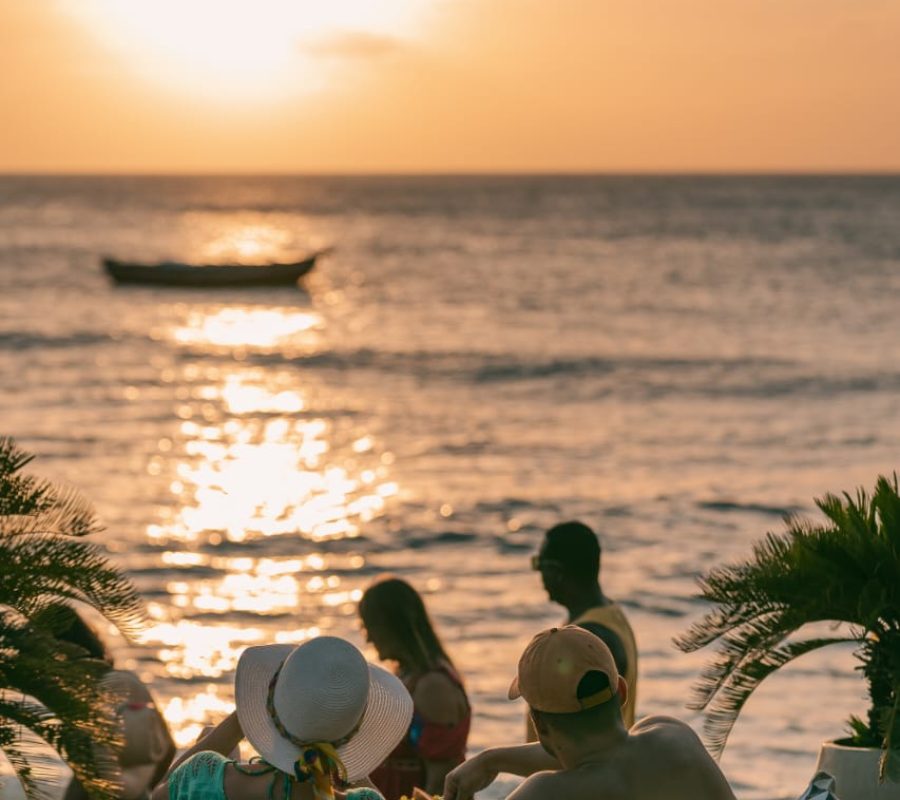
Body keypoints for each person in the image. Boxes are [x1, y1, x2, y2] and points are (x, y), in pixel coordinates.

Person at [443, 626, 736, 800]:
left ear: (540, 726)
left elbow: (588, 763)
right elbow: (602, 757)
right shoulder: (674, 737)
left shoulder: (543, 794)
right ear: (621, 692)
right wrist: (491, 760)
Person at [152, 635, 414, 800]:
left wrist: (241, 719)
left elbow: (164, 790)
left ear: (269, 708)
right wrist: (347, 758)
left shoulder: (202, 780)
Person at [32, 603, 176, 800]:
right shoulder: (129, 682)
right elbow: (167, 748)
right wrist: (152, 790)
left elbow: (89, 769)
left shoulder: (86, 697)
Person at [358, 576, 470, 799]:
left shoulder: (433, 686)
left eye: (370, 626)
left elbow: (440, 780)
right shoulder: (407, 676)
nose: (368, 637)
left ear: (394, 625)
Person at [530, 520, 638, 728]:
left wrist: (495, 759)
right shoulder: (613, 616)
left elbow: (579, 738)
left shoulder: (586, 640)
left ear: (556, 571)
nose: (539, 574)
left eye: (539, 564)